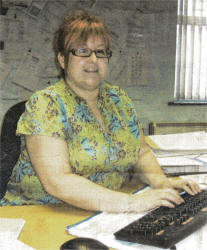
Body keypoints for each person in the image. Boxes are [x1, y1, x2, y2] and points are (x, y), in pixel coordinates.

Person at [0, 10, 201, 211]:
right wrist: (132, 203)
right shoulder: (45, 105)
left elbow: (140, 152)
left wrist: (162, 183)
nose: (93, 59)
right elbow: (58, 181)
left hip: (104, 212)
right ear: (62, 59)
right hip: (39, 214)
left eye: (100, 51)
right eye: (82, 51)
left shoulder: (119, 99)